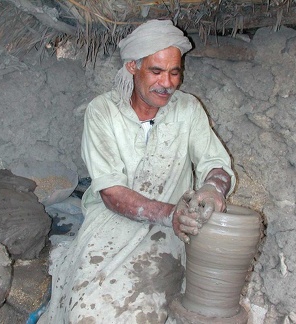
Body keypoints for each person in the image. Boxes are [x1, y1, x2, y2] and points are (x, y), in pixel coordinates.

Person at [39, 19, 236, 323]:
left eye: (174, 72)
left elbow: (216, 163)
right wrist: (170, 213)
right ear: (133, 67)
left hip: (171, 229)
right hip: (112, 219)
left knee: (150, 309)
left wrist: (213, 188)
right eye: (156, 72)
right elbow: (112, 193)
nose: (168, 83)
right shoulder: (102, 112)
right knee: (85, 309)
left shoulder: (188, 109)